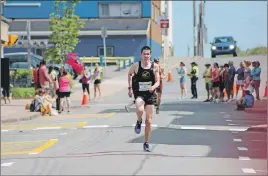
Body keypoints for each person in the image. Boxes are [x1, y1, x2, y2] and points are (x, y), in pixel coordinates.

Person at [128, 46, 160, 152]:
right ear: (141, 55)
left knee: (149, 121)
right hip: (139, 93)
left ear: (150, 55)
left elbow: (158, 81)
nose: (146, 56)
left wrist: (153, 87)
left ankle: (146, 143)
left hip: (150, 95)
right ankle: (138, 121)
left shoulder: (155, 66)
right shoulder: (136, 65)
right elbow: (129, 74)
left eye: (148, 54)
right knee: (140, 108)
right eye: (144, 54)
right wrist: (130, 88)